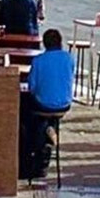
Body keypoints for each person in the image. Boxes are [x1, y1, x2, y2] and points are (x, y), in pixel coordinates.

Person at [21, 28, 75, 178]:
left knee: (25, 109)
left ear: (44, 44)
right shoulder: (69, 58)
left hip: (43, 105)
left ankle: (32, 150)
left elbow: (32, 87)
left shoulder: (38, 61)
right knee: (46, 113)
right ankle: (50, 130)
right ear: (60, 42)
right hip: (65, 104)